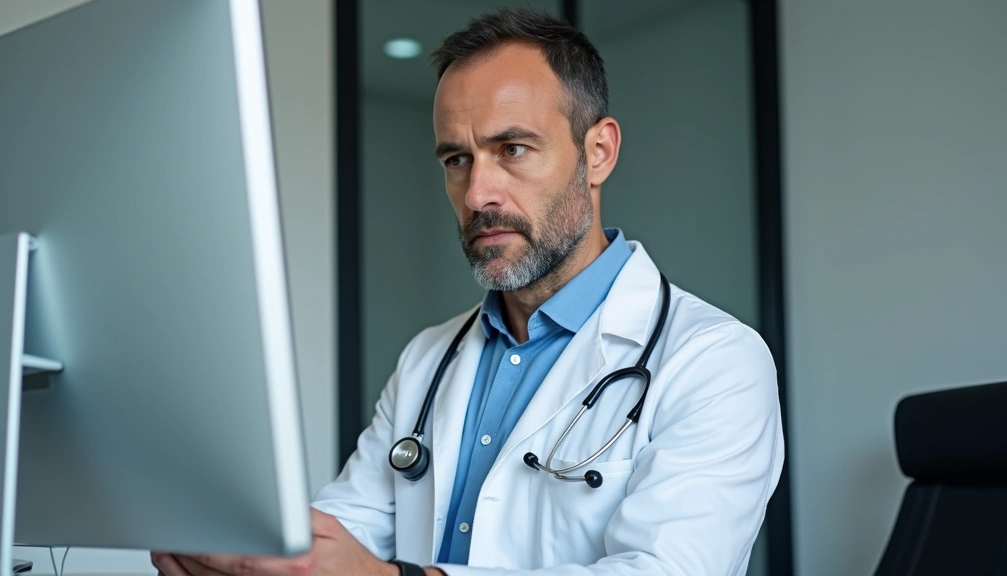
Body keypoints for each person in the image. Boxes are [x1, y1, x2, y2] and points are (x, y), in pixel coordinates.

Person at [152, 8, 783, 576]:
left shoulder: (716, 361)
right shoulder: (429, 358)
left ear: (598, 152)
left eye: (512, 149)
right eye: (457, 159)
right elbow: (347, 529)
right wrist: (249, 556)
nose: (478, 194)